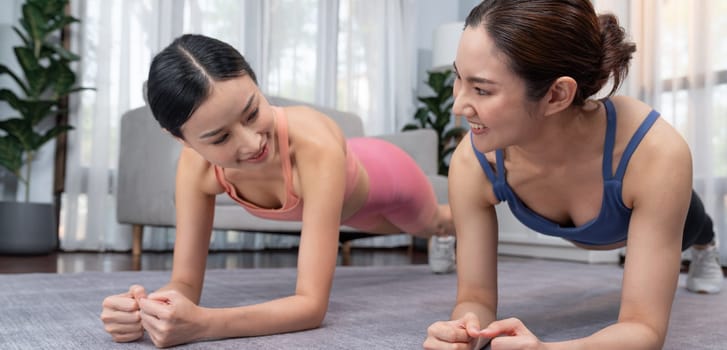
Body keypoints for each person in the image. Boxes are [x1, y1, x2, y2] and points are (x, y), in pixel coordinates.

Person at [100, 34, 456, 347]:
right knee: (388, 227)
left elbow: (311, 306)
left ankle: (473, 212)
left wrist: (203, 325)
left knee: (434, 225)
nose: (252, 142)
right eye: (221, 137)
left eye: (253, 112)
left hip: (388, 178)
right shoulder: (196, 167)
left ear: (257, 85)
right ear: (181, 139)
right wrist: (146, 310)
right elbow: (185, 282)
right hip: (347, 212)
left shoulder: (315, 144)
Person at [424, 1, 724, 349]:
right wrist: (466, 330)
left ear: (556, 94)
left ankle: (708, 246)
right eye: (457, 78)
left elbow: (644, 328)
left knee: (696, 223)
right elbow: (475, 297)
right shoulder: (474, 163)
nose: (457, 106)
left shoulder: (656, 154)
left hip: (675, 216)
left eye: (482, 89)